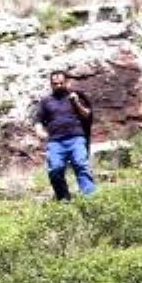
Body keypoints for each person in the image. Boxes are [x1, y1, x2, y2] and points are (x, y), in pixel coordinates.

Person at [34, 70, 96, 200]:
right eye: (55, 84)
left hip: (76, 138)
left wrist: (76, 103)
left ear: (66, 82)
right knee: (55, 170)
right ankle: (64, 201)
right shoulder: (46, 101)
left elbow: (87, 115)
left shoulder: (77, 96)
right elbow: (38, 119)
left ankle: (91, 199)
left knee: (81, 165)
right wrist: (39, 131)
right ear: (51, 84)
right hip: (55, 141)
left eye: (61, 83)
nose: (58, 86)